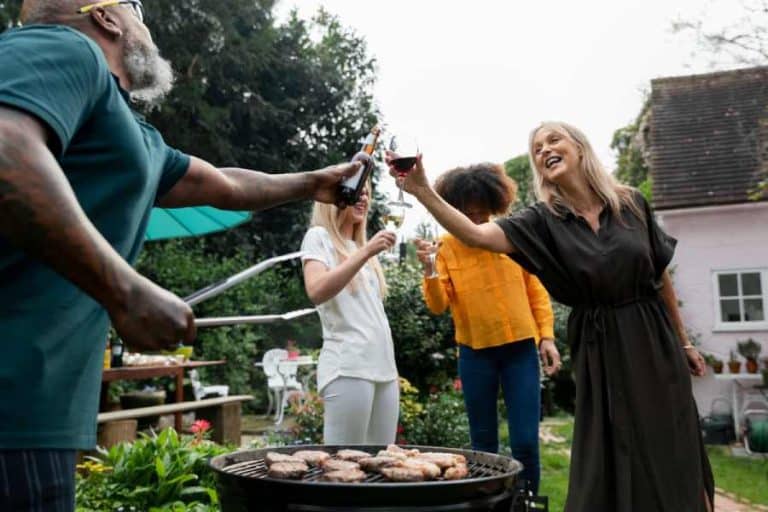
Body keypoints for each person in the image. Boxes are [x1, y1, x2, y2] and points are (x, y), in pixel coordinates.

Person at [0, 1, 361, 509]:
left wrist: (312, 183)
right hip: (12, 392)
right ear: (105, 16)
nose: (147, 25)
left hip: (38, 410)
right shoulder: (64, 48)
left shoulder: (130, 132)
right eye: (138, 8)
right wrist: (123, 289)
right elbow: (5, 146)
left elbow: (224, 184)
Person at [392, 122, 714, 512]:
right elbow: (476, 238)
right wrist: (423, 191)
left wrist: (682, 341)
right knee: (612, 450)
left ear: (579, 147)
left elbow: (658, 275)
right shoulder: (540, 222)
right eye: (537, 148)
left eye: (553, 140)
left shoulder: (630, 202)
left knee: (673, 441)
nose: (545, 149)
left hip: (652, 338)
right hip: (600, 347)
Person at [413, 163, 560, 493]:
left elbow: (535, 290)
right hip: (475, 355)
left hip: (520, 350)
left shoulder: (511, 236)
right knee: (483, 444)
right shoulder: (445, 246)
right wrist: (429, 268)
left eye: (481, 211)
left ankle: (526, 501)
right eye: (468, 211)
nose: (475, 218)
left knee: (525, 441)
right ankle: (490, 503)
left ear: (495, 203)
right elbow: (438, 305)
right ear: (455, 208)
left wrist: (547, 336)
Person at [300, 184, 400, 445]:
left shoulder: (359, 246)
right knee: (342, 464)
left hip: (385, 368)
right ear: (335, 197)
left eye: (367, 193)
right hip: (349, 366)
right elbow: (317, 290)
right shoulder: (318, 236)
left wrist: (365, 250)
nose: (364, 198)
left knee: (382, 463)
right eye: (357, 191)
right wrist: (367, 252)